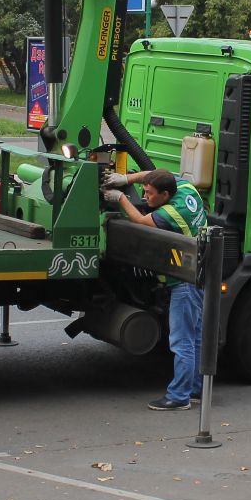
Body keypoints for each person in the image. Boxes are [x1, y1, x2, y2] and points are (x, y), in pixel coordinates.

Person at [103, 168, 207, 410]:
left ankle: (179, 396)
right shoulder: (185, 188)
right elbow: (154, 173)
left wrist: (120, 198)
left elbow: (140, 221)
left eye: (150, 194)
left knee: (182, 341)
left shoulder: (173, 212)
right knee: (196, 336)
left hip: (185, 279)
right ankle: (195, 388)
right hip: (200, 274)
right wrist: (126, 179)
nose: (145, 196)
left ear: (165, 194)